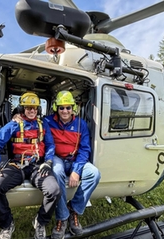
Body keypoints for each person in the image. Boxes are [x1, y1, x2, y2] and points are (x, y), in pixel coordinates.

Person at [0, 92, 61, 239]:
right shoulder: (13, 124)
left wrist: (48, 162)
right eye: (28, 108)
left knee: (54, 190)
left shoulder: (43, 124)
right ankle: (7, 225)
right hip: (17, 165)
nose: (32, 111)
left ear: (38, 109)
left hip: (37, 166)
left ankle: (40, 221)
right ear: (22, 109)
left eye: (34, 108)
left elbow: (50, 144)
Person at [44, 91, 101, 239]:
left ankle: (74, 209)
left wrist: (76, 171)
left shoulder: (81, 124)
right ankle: (62, 217)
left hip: (75, 159)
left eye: (68, 108)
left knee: (94, 174)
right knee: (57, 172)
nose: (65, 111)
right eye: (61, 108)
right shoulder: (48, 121)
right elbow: (39, 132)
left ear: (73, 108)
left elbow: (85, 149)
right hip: (57, 157)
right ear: (56, 108)